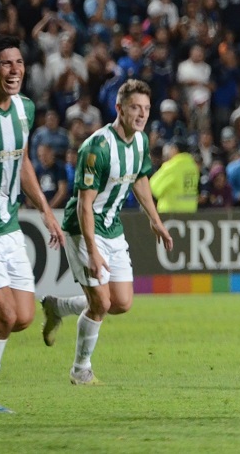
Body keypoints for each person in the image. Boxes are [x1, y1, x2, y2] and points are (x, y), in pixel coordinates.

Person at [39, 79, 174, 386]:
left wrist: (156, 220)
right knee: (100, 303)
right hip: (84, 228)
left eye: (146, 109)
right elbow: (84, 205)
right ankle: (80, 370)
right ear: (119, 109)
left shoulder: (140, 141)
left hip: (112, 228)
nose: (141, 115)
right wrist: (93, 250)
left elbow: (140, 180)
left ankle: (57, 306)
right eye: (134, 108)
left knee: (122, 303)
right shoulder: (96, 148)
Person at [0, 35, 65, 414]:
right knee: (4, 317)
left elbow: (21, 161)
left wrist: (45, 209)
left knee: (22, 317)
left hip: (9, 228)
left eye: (19, 62)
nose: (15, 70)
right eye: (6, 63)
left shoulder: (24, 109)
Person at [150, 140, 200, 213]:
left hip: (172, 211)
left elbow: (153, 187)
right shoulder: (193, 166)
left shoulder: (172, 167)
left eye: (171, 148)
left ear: (175, 149)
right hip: (191, 211)